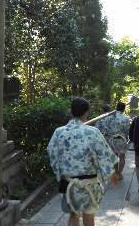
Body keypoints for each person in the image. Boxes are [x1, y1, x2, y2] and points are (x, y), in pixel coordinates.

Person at [48, 97, 118, 226]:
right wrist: (111, 173)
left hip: (70, 184)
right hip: (90, 184)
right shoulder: (93, 132)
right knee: (89, 215)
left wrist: (60, 175)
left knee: (74, 215)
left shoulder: (59, 132)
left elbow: (52, 154)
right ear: (86, 112)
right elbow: (104, 154)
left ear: (71, 111)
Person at [95, 102, 131, 180]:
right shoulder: (126, 118)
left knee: (114, 157)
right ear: (124, 109)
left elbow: (104, 128)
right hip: (121, 139)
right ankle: (120, 174)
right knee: (122, 157)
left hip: (111, 140)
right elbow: (128, 130)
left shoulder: (109, 117)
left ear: (116, 107)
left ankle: (116, 172)